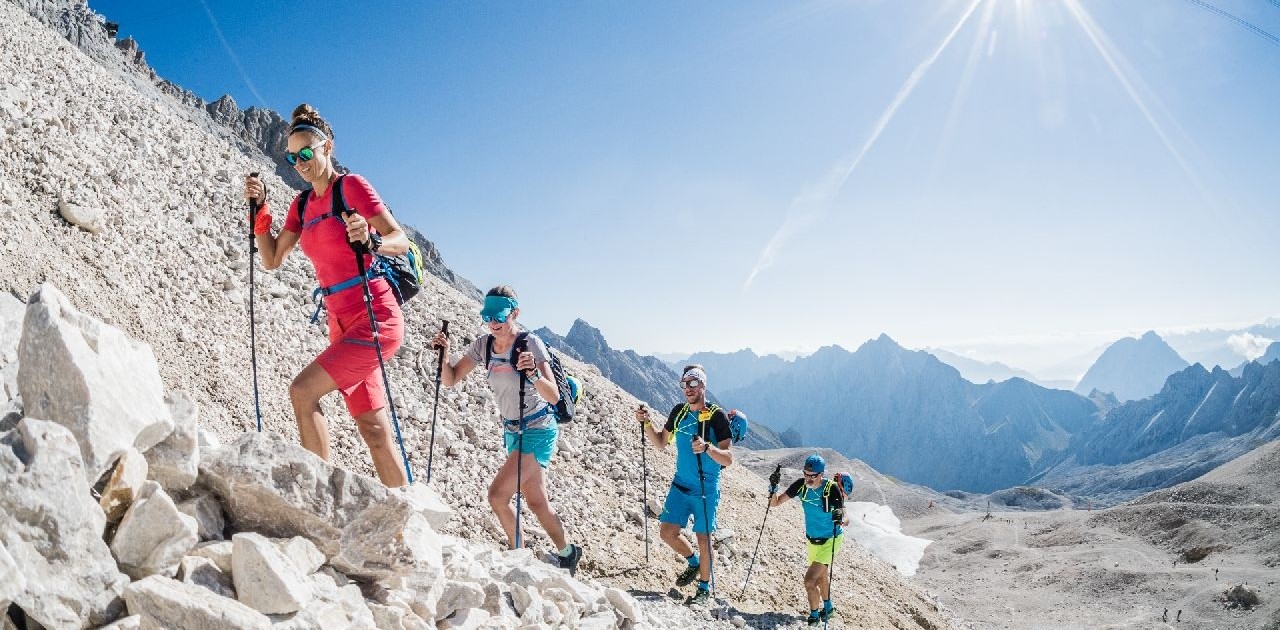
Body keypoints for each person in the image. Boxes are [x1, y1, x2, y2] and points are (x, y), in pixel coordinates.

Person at [244, 104, 411, 487]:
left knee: (302, 393)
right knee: (372, 429)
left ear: (327, 148)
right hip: (339, 324)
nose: (300, 162)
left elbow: (399, 241)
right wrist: (261, 211)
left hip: (375, 317)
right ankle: (410, 518)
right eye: (292, 156)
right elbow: (271, 259)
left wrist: (371, 241)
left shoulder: (350, 187)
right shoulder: (302, 205)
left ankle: (314, 496)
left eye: (307, 153)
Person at [430, 286, 583, 575]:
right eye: (487, 315)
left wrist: (534, 374)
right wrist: (445, 352)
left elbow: (553, 397)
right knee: (537, 502)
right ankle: (568, 553)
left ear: (514, 312)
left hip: (538, 429)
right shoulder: (483, 346)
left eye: (498, 315)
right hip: (513, 431)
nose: (491, 322)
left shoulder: (530, 343)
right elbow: (450, 380)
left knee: (497, 496)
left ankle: (519, 558)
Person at [634, 365, 734, 606]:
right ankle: (693, 563)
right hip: (680, 484)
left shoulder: (716, 416)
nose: (688, 389)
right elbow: (660, 442)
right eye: (684, 384)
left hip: (706, 488)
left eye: (693, 383)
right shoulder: (679, 412)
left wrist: (708, 448)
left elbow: (729, 458)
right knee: (667, 532)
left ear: (703, 386)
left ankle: (703, 589)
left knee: (703, 537)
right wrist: (646, 423)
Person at [768, 454, 848, 625]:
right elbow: (774, 504)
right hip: (812, 540)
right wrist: (773, 486)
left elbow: (846, 518)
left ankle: (814, 617)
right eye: (806, 474)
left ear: (821, 474)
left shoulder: (831, 488)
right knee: (821, 577)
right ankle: (828, 609)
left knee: (810, 580)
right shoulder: (800, 486)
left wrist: (840, 517)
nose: (808, 478)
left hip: (830, 540)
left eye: (812, 476)